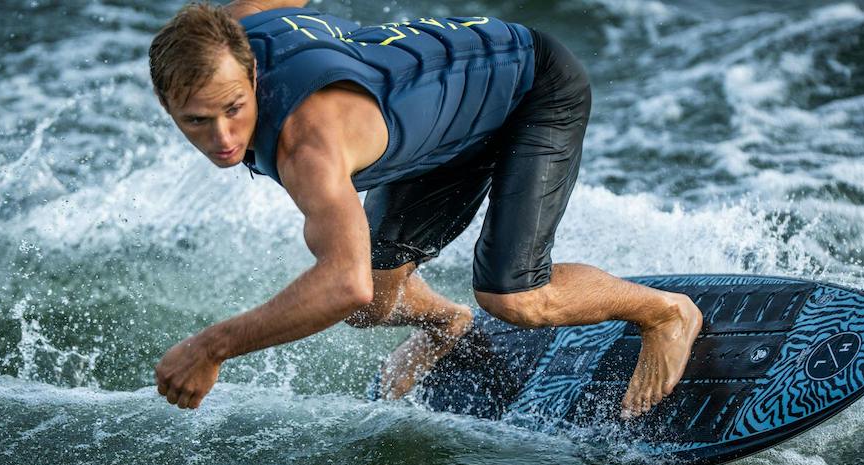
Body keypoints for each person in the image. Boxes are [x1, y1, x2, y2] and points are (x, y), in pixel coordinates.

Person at [149, 0, 702, 417]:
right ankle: (449, 324)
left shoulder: (308, 149)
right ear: (168, 103)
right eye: (196, 120)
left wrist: (211, 348)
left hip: (530, 86)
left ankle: (666, 313)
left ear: (251, 75)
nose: (222, 136)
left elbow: (344, 281)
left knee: (513, 295)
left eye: (234, 109)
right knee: (375, 307)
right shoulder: (227, 29)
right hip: (441, 127)